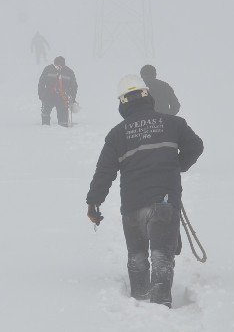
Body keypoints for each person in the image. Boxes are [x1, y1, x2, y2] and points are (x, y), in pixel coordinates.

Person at [85, 74, 203, 308]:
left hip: (132, 205)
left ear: (122, 103)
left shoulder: (117, 134)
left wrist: (93, 203)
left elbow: (104, 172)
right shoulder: (173, 123)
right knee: (162, 257)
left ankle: (139, 304)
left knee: (137, 256)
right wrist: (177, 166)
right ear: (148, 97)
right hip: (164, 203)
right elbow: (196, 146)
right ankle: (160, 307)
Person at [38, 56, 78, 127]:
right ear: (54, 63)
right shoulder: (48, 69)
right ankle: (45, 128)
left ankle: (63, 129)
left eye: (61, 65)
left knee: (63, 121)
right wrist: (41, 96)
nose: (59, 66)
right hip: (48, 96)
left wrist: (72, 98)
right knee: (45, 114)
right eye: (57, 65)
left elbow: (74, 86)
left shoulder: (69, 72)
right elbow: (41, 83)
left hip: (62, 97)